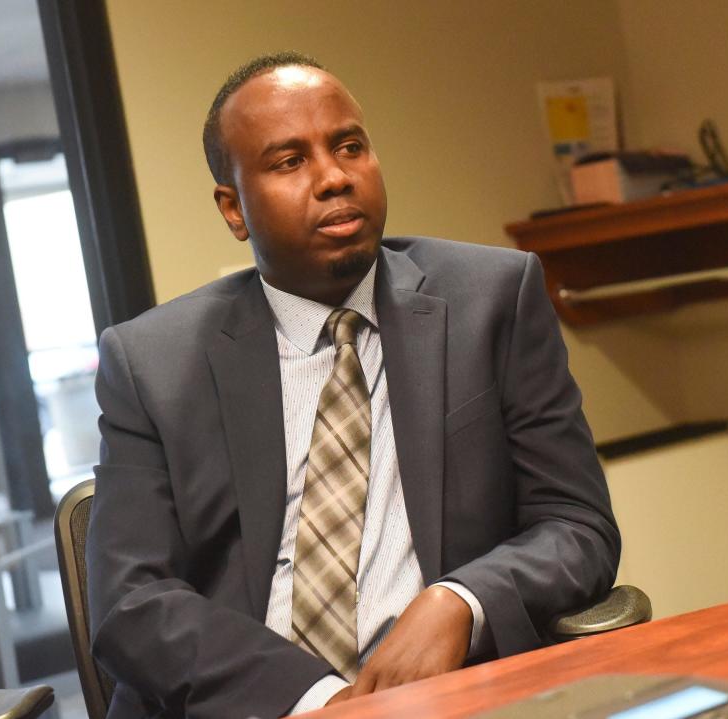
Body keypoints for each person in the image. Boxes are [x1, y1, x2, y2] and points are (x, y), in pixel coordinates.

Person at [87, 51, 619, 719]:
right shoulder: (152, 362)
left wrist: (461, 599)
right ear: (233, 208)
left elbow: (578, 525)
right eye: (290, 162)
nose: (334, 177)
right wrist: (320, 699)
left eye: (350, 147)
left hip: (450, 698)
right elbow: (131, 600)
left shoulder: (491, 301)